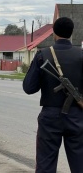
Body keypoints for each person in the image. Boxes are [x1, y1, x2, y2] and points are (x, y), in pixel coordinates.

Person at [23, 17, 83, 172]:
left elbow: (29, 87)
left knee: (46, 164)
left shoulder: (43, 55)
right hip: (77, 116)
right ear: (71, 33)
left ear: (54, 33)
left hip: (50, 117)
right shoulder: (81, 55)